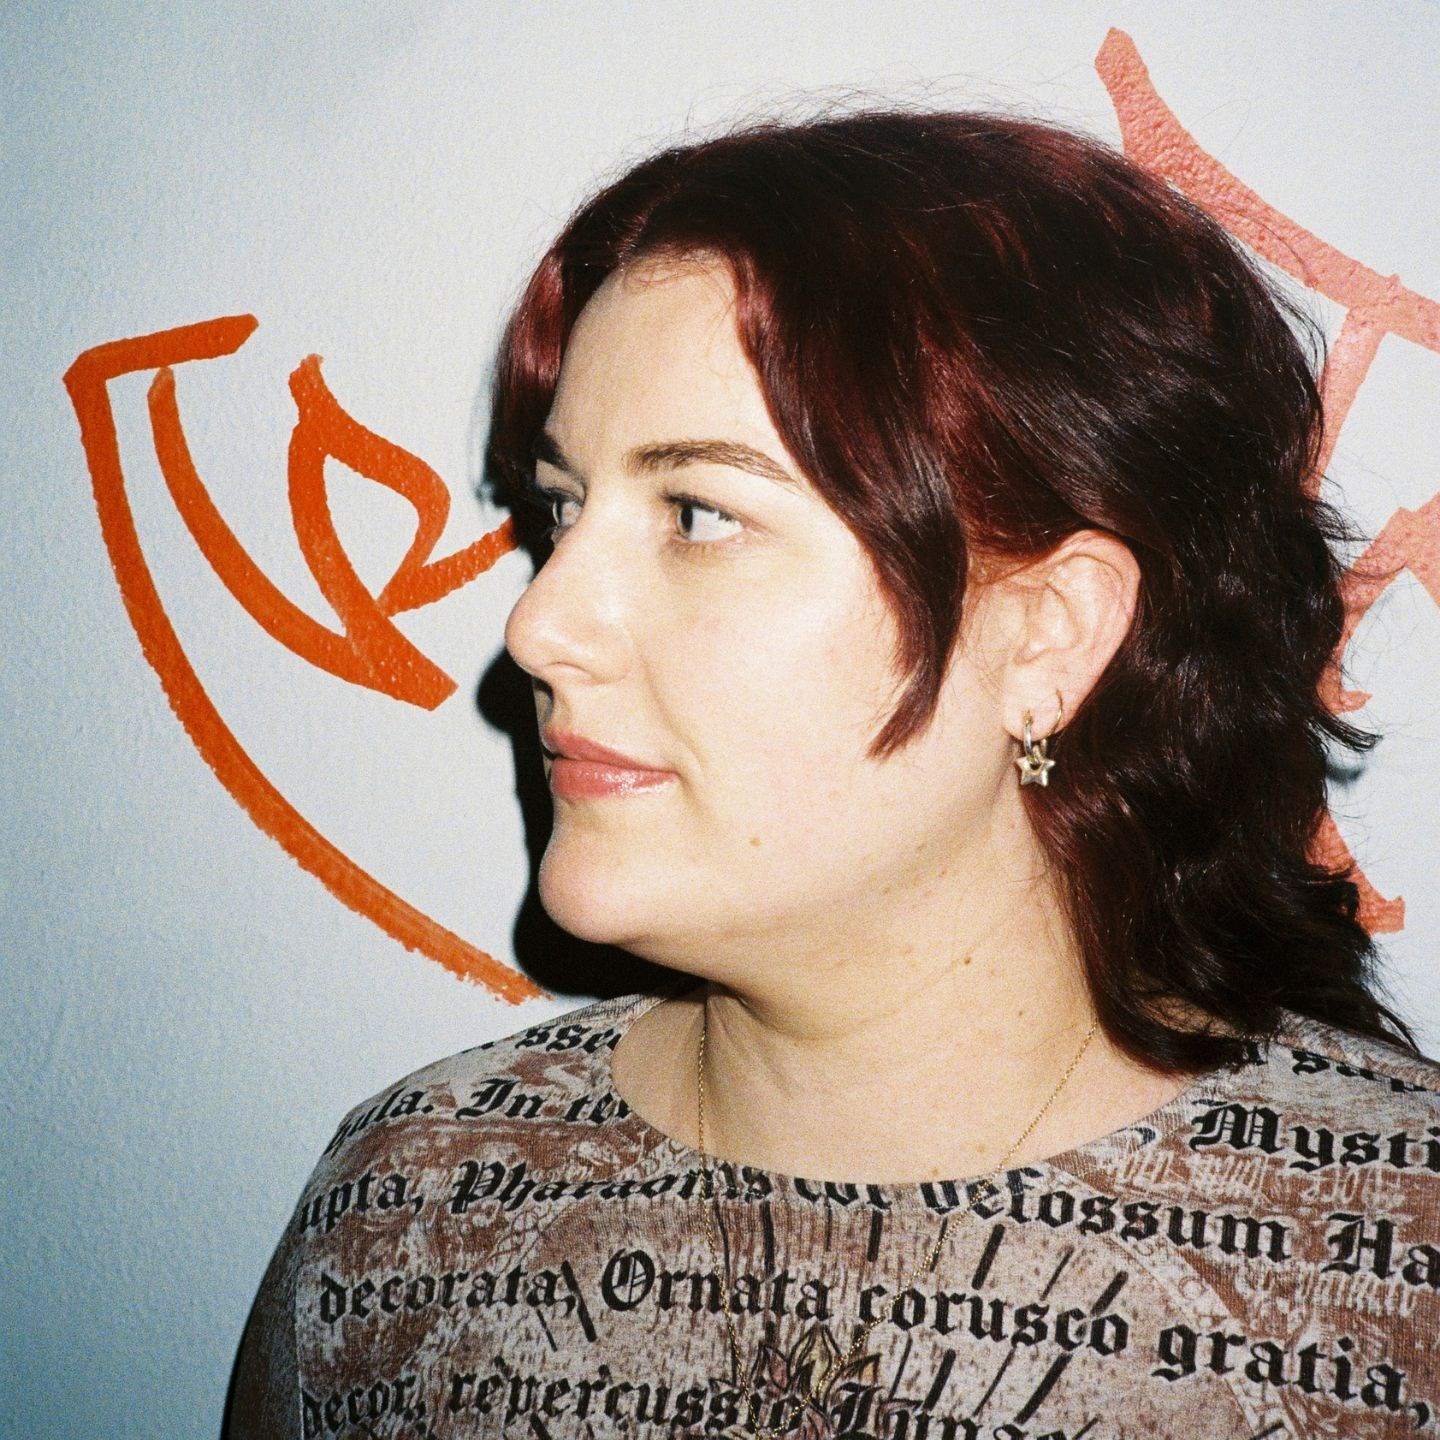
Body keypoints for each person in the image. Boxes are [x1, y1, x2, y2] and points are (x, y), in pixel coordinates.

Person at [226, 104, 1440, 1440]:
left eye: (698, 514)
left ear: (1048, 635)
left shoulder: (1397, 1259)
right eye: (563, 508)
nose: (537, 626)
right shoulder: (411, 1211)